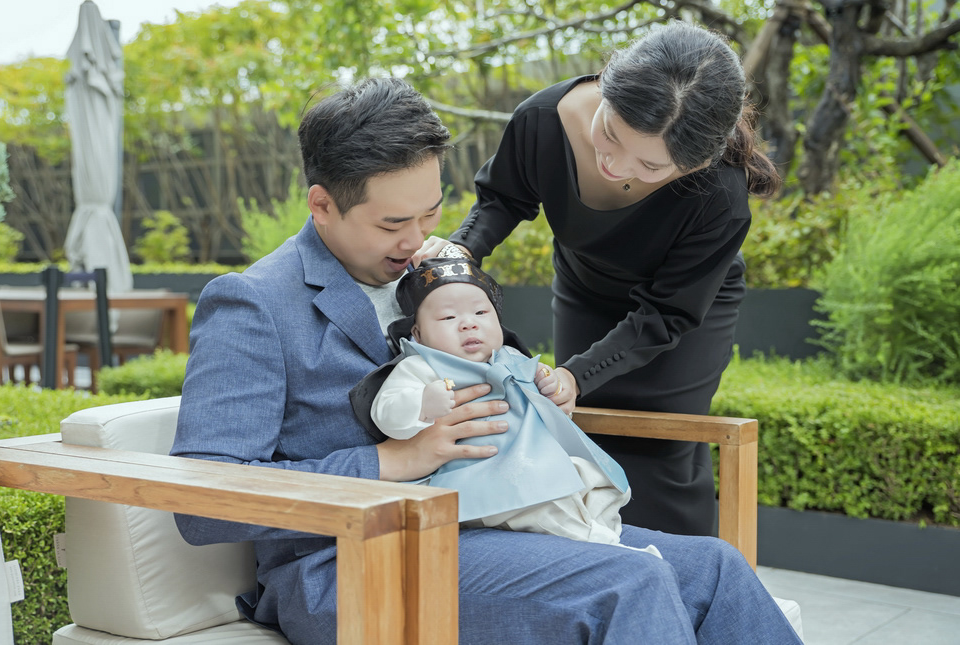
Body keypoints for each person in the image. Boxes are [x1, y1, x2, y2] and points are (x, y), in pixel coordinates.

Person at [170, 76, 802, 643]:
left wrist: (542, 393)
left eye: (430, 213)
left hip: (500, 522)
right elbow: (202, 500)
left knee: (715, 568)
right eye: (392, 224)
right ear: (322, 205)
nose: (416, 241)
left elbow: (508, 374)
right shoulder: (254, 302)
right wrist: (394, 461)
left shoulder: (436, 277)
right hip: (351, 561)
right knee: (628, 583)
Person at [426, 21, 782, 537]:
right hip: (585, 285)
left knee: (662, 449)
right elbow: (503, 198)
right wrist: (460, 252)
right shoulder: (544, 118)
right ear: (607, 86)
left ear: (697, 163)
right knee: (577, 426)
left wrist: (578, 373)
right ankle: (596, 564)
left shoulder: (719, 195)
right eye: (610, 134)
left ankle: (682, 572)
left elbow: (667, 312)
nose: (615, 165)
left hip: (681, 309)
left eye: (650, 164)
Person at [355, 257, 643, 550]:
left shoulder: (510, 356)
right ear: (417, 334)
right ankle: (597, 544)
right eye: (448, 318)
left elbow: (546, 398)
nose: (468, 324)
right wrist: (422, 404)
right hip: (477, 472)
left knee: (595, 477)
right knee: (543, 502)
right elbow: (385, 411)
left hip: (535, 455)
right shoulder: (421, 367)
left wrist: (549, 385)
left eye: (481, 312)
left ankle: (603, 529)